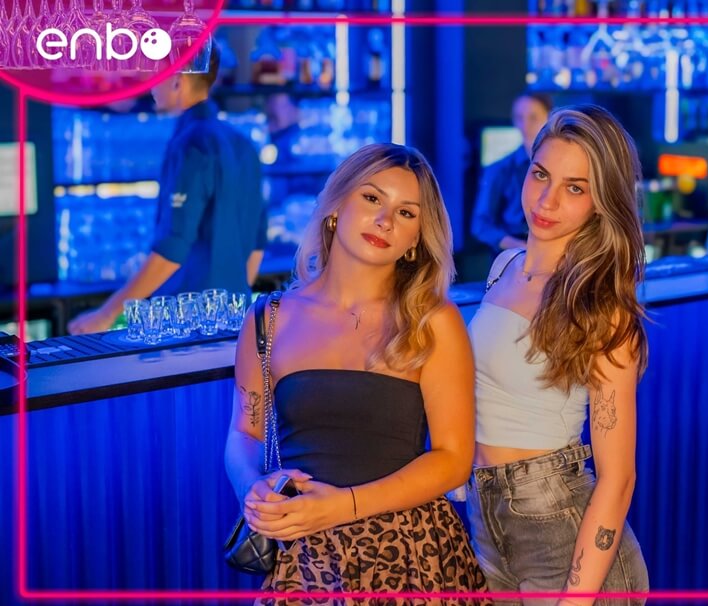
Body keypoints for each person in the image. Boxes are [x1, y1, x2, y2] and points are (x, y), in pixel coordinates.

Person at [225, 143, 491, 605]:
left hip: (412, 551)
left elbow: (453, 458)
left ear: (416, 238)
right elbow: (244, 433)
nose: (385, 221)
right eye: (372, 198)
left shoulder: (432, 321)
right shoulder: (268, 318)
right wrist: (253, 487)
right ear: (335, 207)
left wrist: (342, 507)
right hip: (305, 552)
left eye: (405, 213)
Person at [465, 105, 650, 606]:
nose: (547, 200)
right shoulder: (504, 266)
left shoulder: (600, 306)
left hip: (560, 526)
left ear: (601, 201)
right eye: (541, 174)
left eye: (575, 188)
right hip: (486, 519)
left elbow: (619, 478)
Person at [68, 45, 267, 335]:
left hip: (186, 325)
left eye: (155, 74)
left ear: (177, 81)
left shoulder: (190, 144)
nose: (149, 84)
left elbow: (172, 248)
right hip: (236, 322)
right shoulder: (243, 143)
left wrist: (106, 315)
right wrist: (228, 304)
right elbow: (257, 245)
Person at [471, 92, 552, 254]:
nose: (525, 125)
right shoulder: (499, 169)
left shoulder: (561, 166)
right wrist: (519, 247)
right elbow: (481, 224)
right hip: (515, 254)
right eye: (519, 118)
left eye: (533, 117)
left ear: (549, 117)